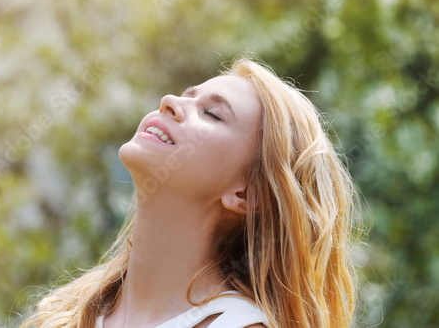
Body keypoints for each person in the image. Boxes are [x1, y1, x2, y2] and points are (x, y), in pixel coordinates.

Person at [21, 55, 358, 328]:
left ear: (248, 195)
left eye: (211, 113)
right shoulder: (65, 316)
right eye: (186, 95)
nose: (169, 102)